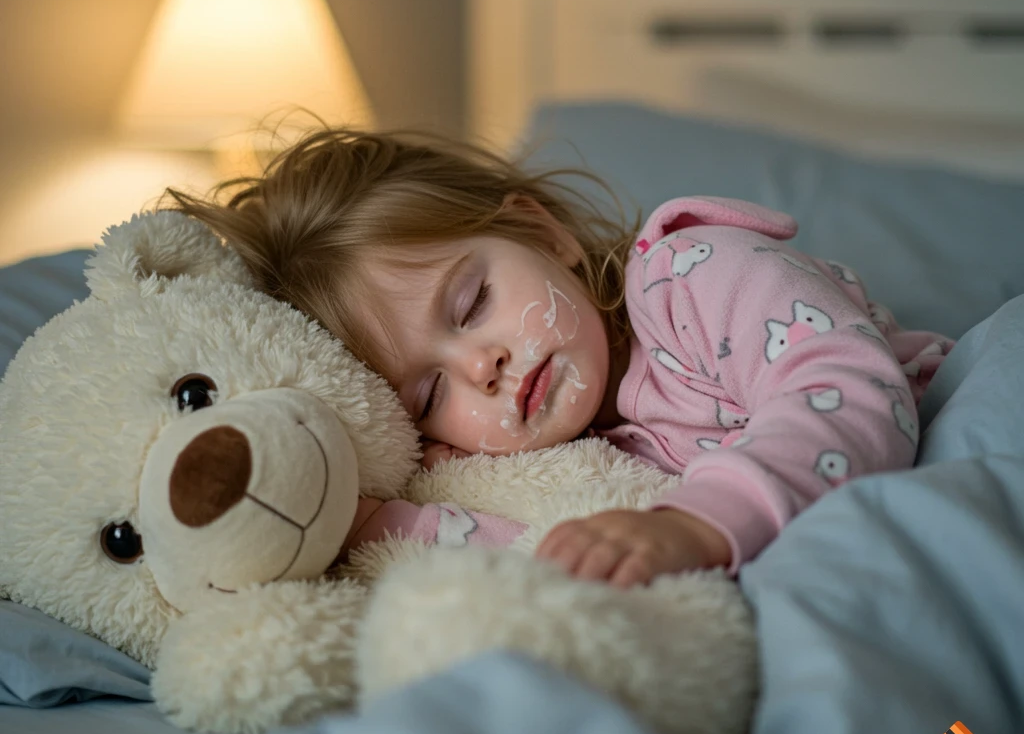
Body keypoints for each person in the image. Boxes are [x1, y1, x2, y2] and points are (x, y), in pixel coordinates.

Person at [169, 127, 953, 588]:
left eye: (472, 303)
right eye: (430, 392)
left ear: (544, 235)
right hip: (847, 574)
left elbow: (841, 388)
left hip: (951, 451)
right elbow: (548, 563)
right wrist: (375, 524)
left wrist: (700, 526)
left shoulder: (694, 278)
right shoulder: (566, 460)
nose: (483, 366)